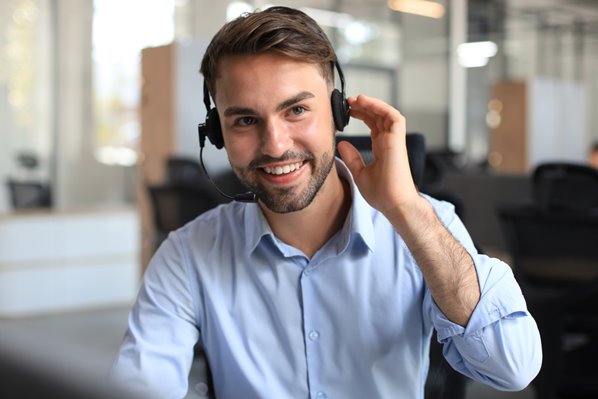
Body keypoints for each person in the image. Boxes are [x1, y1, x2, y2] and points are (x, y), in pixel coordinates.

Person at [111, 6, 542, 399]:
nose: (276, 145)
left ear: (339, 112)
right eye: (245, 120)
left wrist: (408, 211)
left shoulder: (426, 225)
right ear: (218, 134)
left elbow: (512, 368)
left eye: (296, 110)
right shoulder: (188, 255)